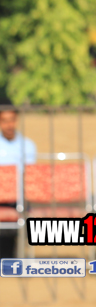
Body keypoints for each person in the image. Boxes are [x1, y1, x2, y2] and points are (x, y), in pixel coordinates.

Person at [0, 106, 35, 258]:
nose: (9, 125)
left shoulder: (27, 145)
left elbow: (29, 176)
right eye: (4, 120)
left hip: (18, 197)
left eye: (12, 120)